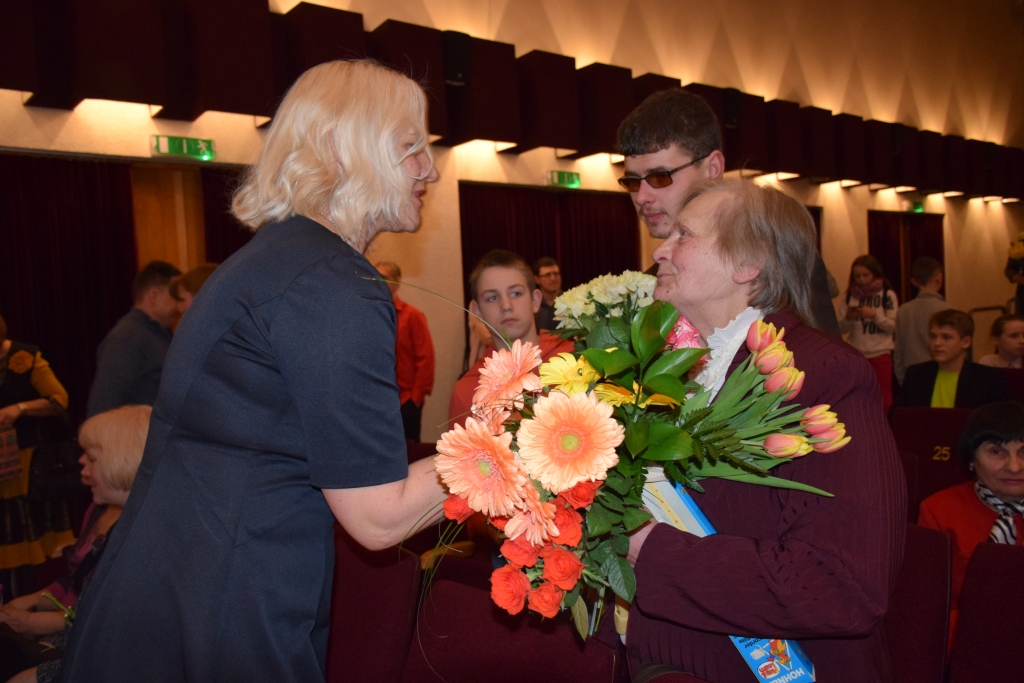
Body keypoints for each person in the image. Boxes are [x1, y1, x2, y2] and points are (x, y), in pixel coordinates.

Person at [57, 60, 447, 683]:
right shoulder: (332, 283)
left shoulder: (280, 256)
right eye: (410, 146)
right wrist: (513, 444)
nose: (430, 168)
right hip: (226, 607)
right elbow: (381, 518)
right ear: (338, 149)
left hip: (173, 591)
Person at [625, 178, 905, 683]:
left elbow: (841, 586)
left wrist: (646, 547)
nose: (660, 251)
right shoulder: (666, 373)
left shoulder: (823, 374)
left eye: (684, 235)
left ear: (748, 263)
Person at [616, 87, 841, 337]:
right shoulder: (652, 281)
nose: (642, 197)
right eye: (632, 182)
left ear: (712, 168)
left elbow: (825, 356)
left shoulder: (775, 253)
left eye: (660, 176)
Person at [0, 405, 150, 683]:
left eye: (91, 458)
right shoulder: (102, 510)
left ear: (124, 462)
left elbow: (109, 640)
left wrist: (31, 624)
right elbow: (77, 589)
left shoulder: (143, 541)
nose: (80, 461)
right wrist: (31, 603)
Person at [918, 401, 1024, 646]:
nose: (1014, 467)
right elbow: (929, 607)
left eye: (1023, 452)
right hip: (964, 643)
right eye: (996, 452)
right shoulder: (938, 510)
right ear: (971, 460)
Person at [448, 250, 574, 429]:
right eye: (492, 298)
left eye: (515, 293)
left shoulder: (575, 357)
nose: (506, 306)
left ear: (535, 300)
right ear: (478, 311)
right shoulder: (468, 390)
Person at [0, 314, 74, 585]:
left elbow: (59, 400)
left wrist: (20, 408)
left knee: (30, 539)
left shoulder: (27, 357)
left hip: (27, 465)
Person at [85, 260, 181, 417]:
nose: (180, 306)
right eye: (175, 297)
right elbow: (103, 407)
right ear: (153, 296)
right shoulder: (127, 339)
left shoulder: (157, 334)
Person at [895, 309, 1011, 409]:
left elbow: (999, 421)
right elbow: (899, 415)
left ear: (965, 342)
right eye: (933, 336)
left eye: (946, 337)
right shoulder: (916, 375)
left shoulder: (987, 379)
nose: (937, 343)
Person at [374, 261, 435, 442]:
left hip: (405, 401)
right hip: (378, 402)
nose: (378, 282)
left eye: (384, 278)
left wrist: (415, 399)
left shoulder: (412, 316)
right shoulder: (370, 316)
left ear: (397, 282)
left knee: (409, 452)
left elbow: (425, 358)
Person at [839, 255, 898, 409]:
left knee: (883, 396)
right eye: (857, 276)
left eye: (866, 275)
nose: (861, 279)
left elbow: (893, 326)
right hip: (856, 353)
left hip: (881, 352)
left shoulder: (887, 295)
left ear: (875, 274)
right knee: (857, 395)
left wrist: (874, 316)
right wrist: (848, 319)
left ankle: (885, 423)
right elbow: (841, 329)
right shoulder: (849, 296)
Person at [893, 257, 946, 385]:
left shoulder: (904, 310)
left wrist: (902, 379)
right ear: (939, 278)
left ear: (914, 282)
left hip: (911, 376)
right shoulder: (947, 310)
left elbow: (898, 351)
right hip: (941, 374)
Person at [533, 257, 562, 332]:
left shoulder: (570, 303)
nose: (553, 278)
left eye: (556, 274)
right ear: (537, 279)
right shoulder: (533, 306)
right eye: (547, 275)